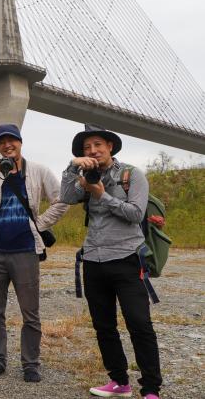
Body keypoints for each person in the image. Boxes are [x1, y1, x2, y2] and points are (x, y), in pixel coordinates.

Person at [60, 124, 162, 399]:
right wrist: (72, 168)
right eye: (86, 148)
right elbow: (66, 197)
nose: (92, 151)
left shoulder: (131, 175)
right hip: (93, 259)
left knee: (139, 323)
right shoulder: (85, 175)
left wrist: (100, 194)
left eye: (97, 145)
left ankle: (151, 388)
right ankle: (119, 382)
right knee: (104, 326)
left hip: (128, 258)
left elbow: (135, 213)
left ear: (110, 147)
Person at [0, 124, 68, 382]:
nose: (7, 145)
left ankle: (31, 364)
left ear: (20, 142)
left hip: (26, 251)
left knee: (31, 313)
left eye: (11, 140)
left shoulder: (38, 170)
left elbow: (62, 199)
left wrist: (40, 223)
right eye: (2, 142)